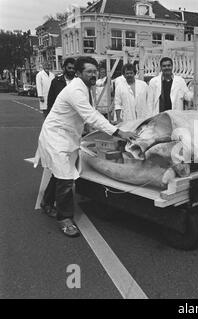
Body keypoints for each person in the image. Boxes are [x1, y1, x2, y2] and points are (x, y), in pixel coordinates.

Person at [35, 57, 137, 237]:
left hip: (68, 136)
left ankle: (47, 203)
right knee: (65, 178)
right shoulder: (75, 89)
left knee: (59, 173)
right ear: (79, 73)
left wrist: (98, 127)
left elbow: (88, 114)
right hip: (56, 136)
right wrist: (118, 132)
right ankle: (65, 218)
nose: (93, 74)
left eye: (95, 71)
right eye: (89, 71)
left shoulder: (86, 88)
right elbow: (91, 115)